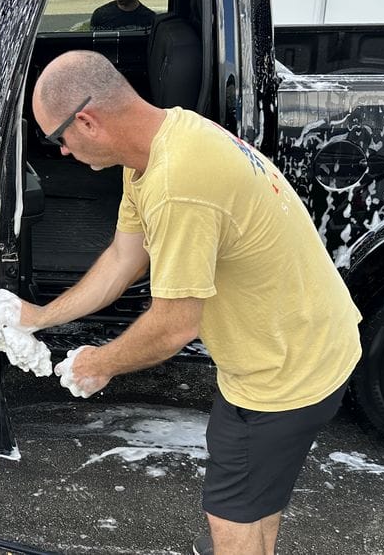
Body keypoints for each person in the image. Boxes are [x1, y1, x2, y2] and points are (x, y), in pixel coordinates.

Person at [20, 51, 361, 555]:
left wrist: (99, 364)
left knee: (231, 513)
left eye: (58, 138)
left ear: (87, 121)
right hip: (306, 341)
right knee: (254, 495)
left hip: (284, 371)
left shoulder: (178, 185)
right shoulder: (163, 141)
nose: (63, 152)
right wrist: (40, 317)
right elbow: (122, 258)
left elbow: (174, 326)